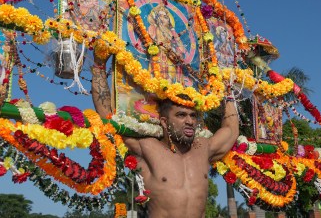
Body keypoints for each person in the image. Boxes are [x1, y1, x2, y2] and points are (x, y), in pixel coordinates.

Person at [91, 52, 239, 218]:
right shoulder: (147, 148)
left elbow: (231, 130)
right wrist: (98, 65)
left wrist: (227, 88)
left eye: (193, 115)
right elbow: (108, 118)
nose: (190, 121)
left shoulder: (204, 148)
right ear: (163, 121)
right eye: (181, 115)